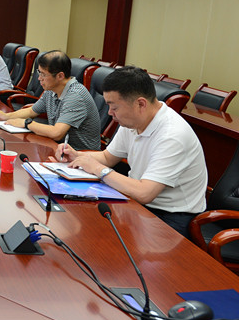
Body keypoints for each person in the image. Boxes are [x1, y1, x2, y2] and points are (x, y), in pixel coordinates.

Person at [55, 66, 207, 237]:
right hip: (136, 201)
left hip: (170, 216)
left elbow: (145, 193)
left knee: (100, 238)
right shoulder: (134, 121)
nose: (109, 113)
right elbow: (107, 157)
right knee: (82, 223)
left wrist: (98, 169)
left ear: (140, 104)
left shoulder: (172, 135)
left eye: (114, 107)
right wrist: (77, 155)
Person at [0, 51, 100, 151]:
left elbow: (57, 133)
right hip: (59, 148)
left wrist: (26, 123)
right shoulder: (51, 89)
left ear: (60, 76)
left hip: (80, 155)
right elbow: (31, 111)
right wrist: (6, 116)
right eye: (39, 73)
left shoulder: (75, 96)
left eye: (43, 74)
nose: (39, 78)